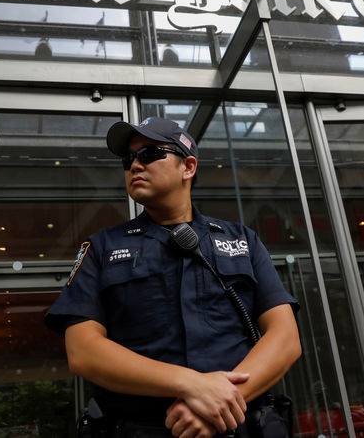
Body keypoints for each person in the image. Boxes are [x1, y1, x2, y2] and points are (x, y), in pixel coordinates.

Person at [45, 117, 301, 438]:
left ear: (188, 167)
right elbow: (83, 352)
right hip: (140, 428)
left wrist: (220, 403)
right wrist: (192, 385)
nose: (135, 164)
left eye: (150, 154)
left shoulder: (243, 241)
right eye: (129, 159)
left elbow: (286, 337)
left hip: (238, 425)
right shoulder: (102, 247)